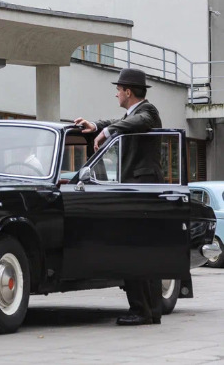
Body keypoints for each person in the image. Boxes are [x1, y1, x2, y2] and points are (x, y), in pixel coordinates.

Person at [74, 68, 163, 326]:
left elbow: (135, 121)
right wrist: (97, 126)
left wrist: (108, 131)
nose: (116, 94)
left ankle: (142, 310)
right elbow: (122, 120)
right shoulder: (134, 114)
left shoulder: (148, 112)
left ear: (128, 92)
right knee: (142, 252)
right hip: (139, 191)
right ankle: (150, 311)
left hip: (141, 190)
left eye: (118, 90)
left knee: (132, 250)